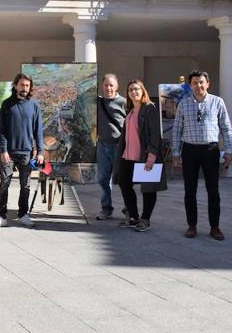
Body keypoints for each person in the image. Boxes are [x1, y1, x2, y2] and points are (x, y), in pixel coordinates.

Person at [172, 70, 232, 241]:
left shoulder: (217, 102)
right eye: (195, 83)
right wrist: (176, 153)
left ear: (208, 84)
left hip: (210, 151)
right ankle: (192, 225)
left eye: (201, 82)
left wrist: (228, 150)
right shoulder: (183, 104)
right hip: (189, 151)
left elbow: (226, 128)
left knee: (213, 191)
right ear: (190, 85)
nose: (198, 85)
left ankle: (215, 227)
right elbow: (177, 130)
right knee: (189, 190)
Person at [0, 73, 44, 229]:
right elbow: (1, 130)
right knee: (4, 184)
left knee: (25, 186)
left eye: (27, 86)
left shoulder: (34, 105)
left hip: (27, 153)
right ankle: (1, 216)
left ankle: (23, 215)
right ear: (15, 85)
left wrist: (40, 151)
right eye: (22, 85)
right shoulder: (7, 104)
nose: (25, 88)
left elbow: (38, 130)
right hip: (9, 153)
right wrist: (4, 150)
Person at [113, 80, 166, 232]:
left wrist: (151, 157)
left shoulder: (149, 108)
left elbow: (155, 135)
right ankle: (134, 217)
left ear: (143, 91)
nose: (133, 92)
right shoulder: (130, 111)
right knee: (124, 184)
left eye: (136, 89)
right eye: (130, 90)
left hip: (145, 157)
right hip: (127, 156)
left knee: (148, 189)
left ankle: (145, 219)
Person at [95, 74, 127, 220]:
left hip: (119, 146)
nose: (108, 88)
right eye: (106, 85)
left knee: (123, 179)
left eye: (111, 85)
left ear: (117, 86)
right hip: (102, 145)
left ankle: (129, 209)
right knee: (103, 179)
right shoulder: (97, 102)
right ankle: (106, 208)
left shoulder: (124, 102)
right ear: (102, 86)